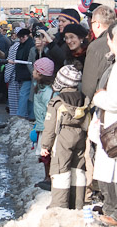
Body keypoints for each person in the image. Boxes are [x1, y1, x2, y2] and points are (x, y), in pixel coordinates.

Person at [40, 65, 89, 210]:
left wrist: (45, 146)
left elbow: (50, 126)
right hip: (80, 135)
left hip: (63, 136)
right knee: (78, 168)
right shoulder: (83, 98)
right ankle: (77, 203)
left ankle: (59, 205)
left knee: (61, 169)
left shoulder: (57, 101)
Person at [89, 21, 117, 225]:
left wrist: (99, 97)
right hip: (108, 123)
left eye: (109, 39)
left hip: (113, 125)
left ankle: (113, 212)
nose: (107, 43)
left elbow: (114, 101)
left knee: (111, 170)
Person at [31, 57, 56, 191]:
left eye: (35, 70)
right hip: (41, 125)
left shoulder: (48, 92)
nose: (32, 72)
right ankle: (47, 176)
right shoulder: (40, 87)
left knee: (47, 152)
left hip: (47, 126)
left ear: (40, 73)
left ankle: (49, 177)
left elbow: (50, 109)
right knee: (44, 153)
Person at [82, 5, 116, 100]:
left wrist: (86, 103)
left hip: (104, 100)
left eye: (91, 23)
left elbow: (89, 84)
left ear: (97, 24)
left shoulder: (96, 46)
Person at [43, 8, 81, 74]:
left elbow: (64, 60)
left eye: (63, 21)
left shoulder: (78, 40)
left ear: (72, 23)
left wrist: (51, 44)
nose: (59, 24)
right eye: (59, 21)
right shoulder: (57, 38)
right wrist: (40, 49)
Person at [14, 28, 35, 120]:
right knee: (29, 95)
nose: (21, 39)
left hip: (27, 74)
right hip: (27, 74)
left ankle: (21, 115)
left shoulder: (27, 46)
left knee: (24, 94)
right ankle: (31, 116)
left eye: (22, 37)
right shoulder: (28, 44)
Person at [4, 31, 21, 116]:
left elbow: (11, 63)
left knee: (14, 102)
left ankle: (15, 118)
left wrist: (6, 77)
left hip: (14, 78)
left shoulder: (14, 47)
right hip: (22, 77)